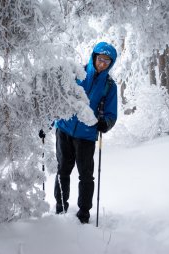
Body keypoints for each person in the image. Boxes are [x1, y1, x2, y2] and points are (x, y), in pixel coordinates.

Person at [54, 42, 118, 224]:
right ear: (94, 57)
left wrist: (105, 123)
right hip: (64, 129)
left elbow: (111, 114)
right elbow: (59, 99)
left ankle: (84, 213)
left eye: (107, 61)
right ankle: (60, 208)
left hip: (87, 136)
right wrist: (48, 123)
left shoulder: (109, 86)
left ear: (111, 63)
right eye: (100, 59)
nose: (103, 63)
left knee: (86, 176)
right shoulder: (76, 73)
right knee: (62, 170)